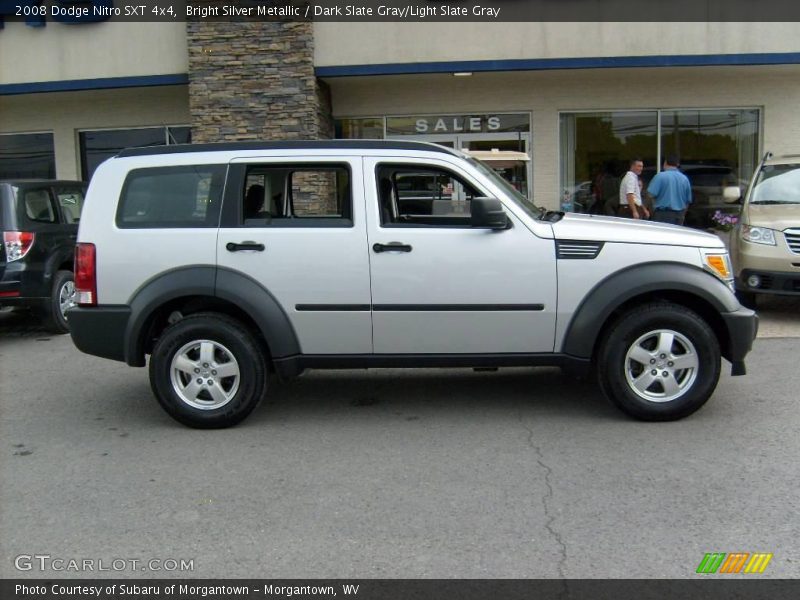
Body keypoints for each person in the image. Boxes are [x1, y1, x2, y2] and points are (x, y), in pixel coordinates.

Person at [647, 154, 692, 225]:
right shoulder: (685, 179)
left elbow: (650, 195)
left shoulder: (660, 177)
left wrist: (652, 211)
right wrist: (683, 215)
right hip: (679, 215)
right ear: (677, 165)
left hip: (662, 214)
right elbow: (688, 201)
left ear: (665, 163)